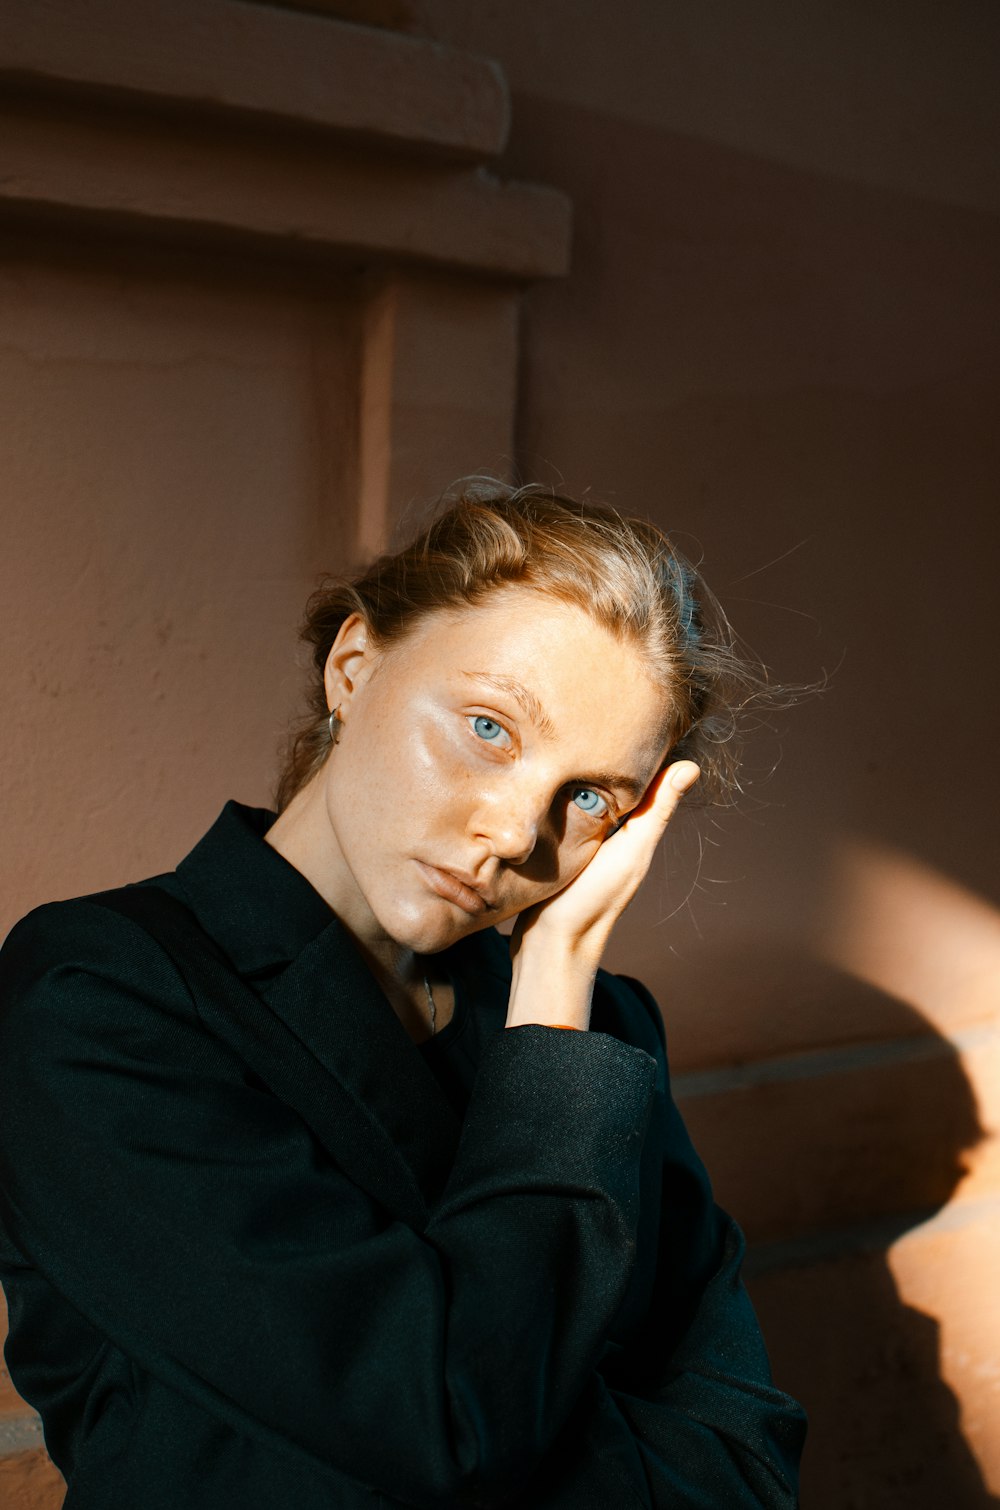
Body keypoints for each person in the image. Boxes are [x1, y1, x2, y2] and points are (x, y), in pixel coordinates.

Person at [0, 481, 807, 1508]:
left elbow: (744, 1463)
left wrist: (553, 986)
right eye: (487, 726)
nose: (520, 832)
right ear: (353, 666)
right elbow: (439, 1419)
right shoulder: (99, 996)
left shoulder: (600, 1028)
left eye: (590, 795)